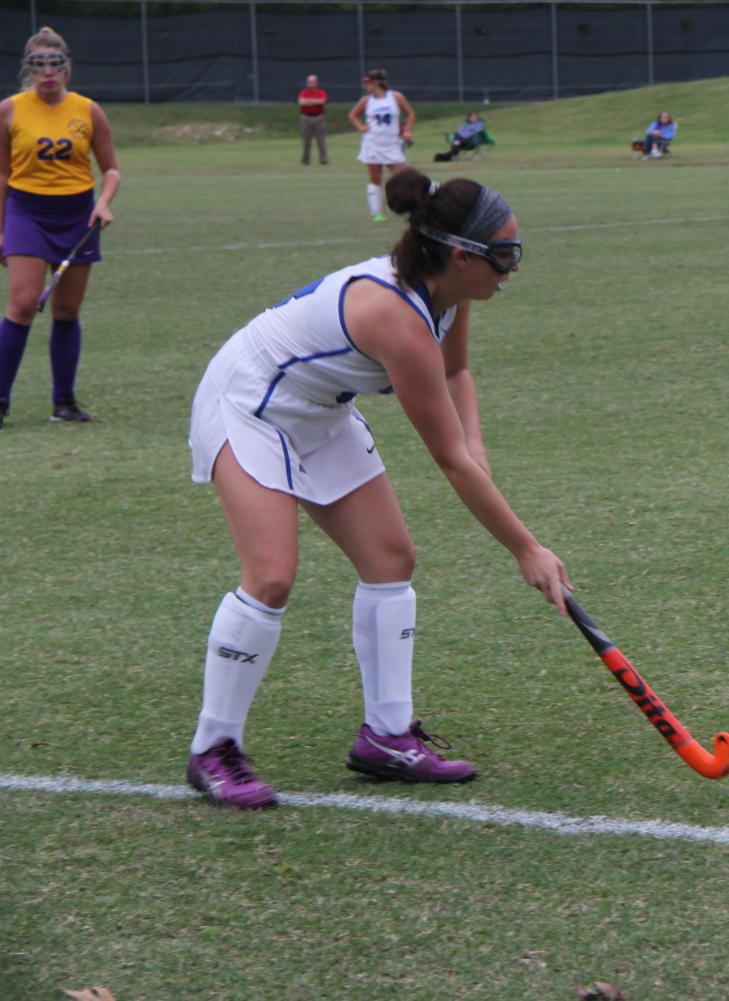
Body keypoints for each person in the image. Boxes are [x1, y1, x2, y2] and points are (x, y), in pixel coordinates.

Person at [184, 169, 571, 809]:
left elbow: (458, 374)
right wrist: (527, 550)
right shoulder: (397, 317)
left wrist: (479, 451)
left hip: (318, 407)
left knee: (391, 558)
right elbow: (448, 461)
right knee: (272, 575)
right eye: (504, 255)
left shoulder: (451, 294)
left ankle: (387, 737)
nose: (512, 268)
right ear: (459, 255)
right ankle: (213, 748)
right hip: (248, 400)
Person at [0, 26, 120, 429]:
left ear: (67, 68)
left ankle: (64, 402)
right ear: (29, 70)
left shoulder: (88, 110)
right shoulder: (10, 109)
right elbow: (2, 175)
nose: (47, 72)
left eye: (56, 64)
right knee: (22, 305)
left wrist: (103, 203)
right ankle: (0, 400)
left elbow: (111, 170)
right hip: (26, 213)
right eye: (39, 65)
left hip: (77, 216)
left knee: (67, 309)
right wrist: (0, 229)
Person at [348, 69, 414, 221]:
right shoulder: (366, 100)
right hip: (373, 144)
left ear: (377, 82)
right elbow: (352, 115)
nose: (365, 85)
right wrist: (361, 127)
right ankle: (376, 212)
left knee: (402, 177)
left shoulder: (396, 97)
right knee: (376, 179)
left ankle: (404, 207)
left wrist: (407, 132)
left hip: (392, 144)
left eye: (367, 82)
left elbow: (410, 114)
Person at [297, 73, 329, 166]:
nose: (310, 83)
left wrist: (309, 101)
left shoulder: (321, 92)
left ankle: (324, 159)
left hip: (318, 117)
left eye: (312, 82)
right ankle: (305, 160)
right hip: (306, 117)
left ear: (316, 82)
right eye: (309, 82)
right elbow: (301, 102)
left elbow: (322, 101)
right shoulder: (303, 92)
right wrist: (314, 101)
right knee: (306, 141)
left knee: (321, 140)